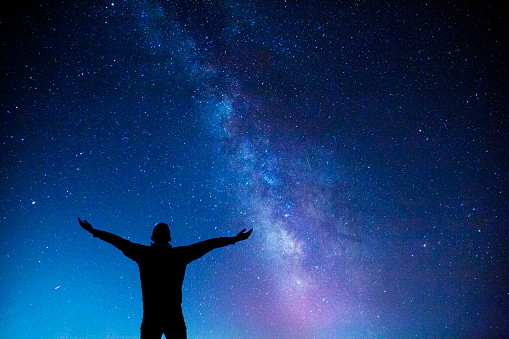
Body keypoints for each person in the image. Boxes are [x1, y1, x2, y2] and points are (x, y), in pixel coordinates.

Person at [78, 217, 253, 339]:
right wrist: (234, 239)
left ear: (153, 238)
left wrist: (95, 232)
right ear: (168, 238)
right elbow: (209, 245)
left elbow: (119, 242)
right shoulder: (178, 255)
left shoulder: (145, 254)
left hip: (155, 317)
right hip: (171, 317)